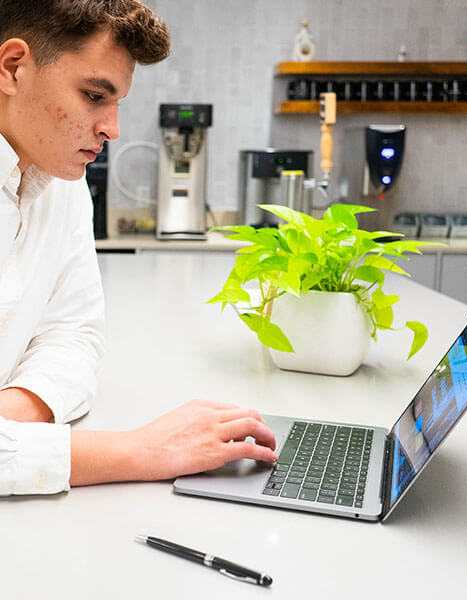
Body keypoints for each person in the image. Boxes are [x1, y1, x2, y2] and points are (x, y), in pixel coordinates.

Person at [0, 0, 277, 496]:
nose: (113, 128)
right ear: (13, 67)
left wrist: (14, 419)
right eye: (93, 95)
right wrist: (143, 450)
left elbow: (74, 333)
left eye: (117, 103)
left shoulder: (63, 184)